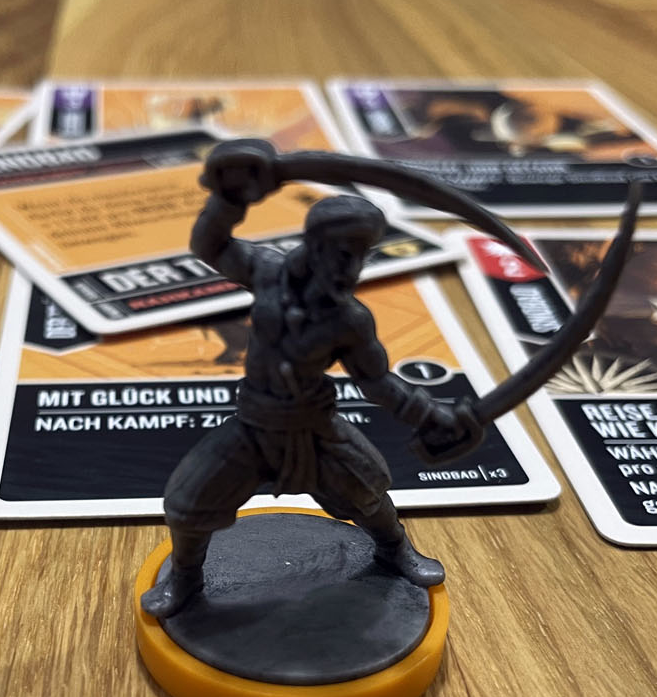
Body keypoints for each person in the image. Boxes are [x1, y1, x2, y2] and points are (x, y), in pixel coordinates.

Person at [140, 139, 481, 619]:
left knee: (369, 492)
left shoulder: (350, 319)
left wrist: (431, 415)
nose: (350, 269)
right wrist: (230, 197)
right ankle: (186, 577)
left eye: (358, 256)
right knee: (187, 502)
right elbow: (209, 245)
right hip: (254, 426)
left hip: (314, 428)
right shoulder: (268, 272)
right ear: (315, 246)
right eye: (341, 254)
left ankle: (395, 550)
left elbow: (377, 382)